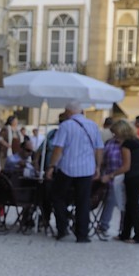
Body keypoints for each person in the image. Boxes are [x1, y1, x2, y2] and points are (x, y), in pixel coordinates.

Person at [44, 101, 104, 243]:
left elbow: (58, 149)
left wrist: (52, 166)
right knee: (83, 201)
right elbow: (99, 148)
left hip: (67, 168)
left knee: (58, 197)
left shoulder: (65, 126)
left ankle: (62, 228)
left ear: (69, 112)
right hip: (87, 169)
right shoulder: (93, 125)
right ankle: (82, 234)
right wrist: (98, 167)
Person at [95, 123, 128, 240]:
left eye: (116, 133)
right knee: (109, 200)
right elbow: (103, 157)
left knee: (122, 204)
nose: (114, 135)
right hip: (109, 176)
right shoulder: (111, 143)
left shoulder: (129, 143)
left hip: (123, 177)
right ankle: (104, 225)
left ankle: (123, 229)